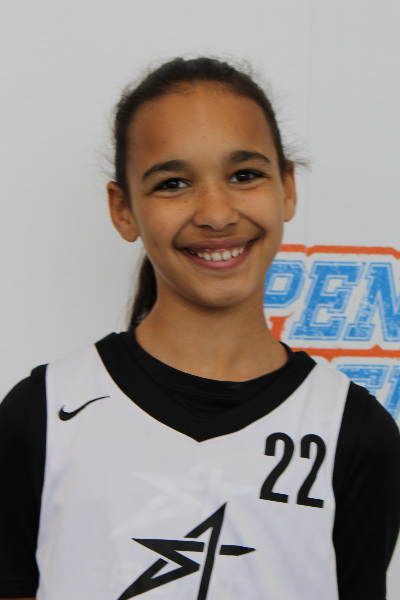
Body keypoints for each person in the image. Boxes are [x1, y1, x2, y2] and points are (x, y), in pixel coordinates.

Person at [0, 56, 399, 600]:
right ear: (123, 209)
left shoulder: (355, 430)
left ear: (287, 188)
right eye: (173, 183)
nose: (216, 212)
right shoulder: (42, 413)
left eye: (245, 175)